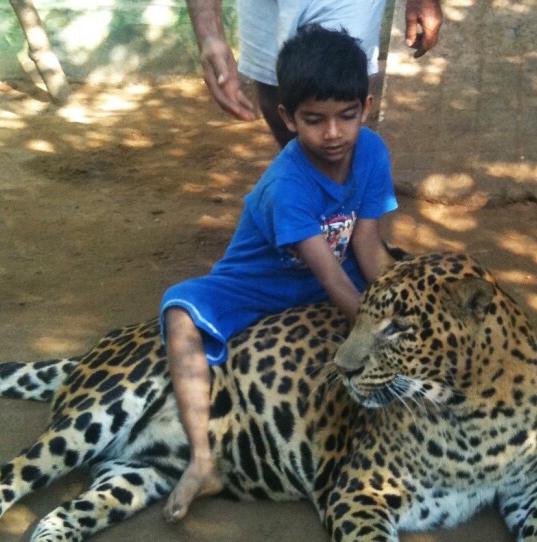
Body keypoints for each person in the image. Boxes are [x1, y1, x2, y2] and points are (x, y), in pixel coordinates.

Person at [160, 24, 399, 522]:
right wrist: (383, 334)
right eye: (314, 120)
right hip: (260, 283)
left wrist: (405, 306)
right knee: (179, 311)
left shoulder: (372, 151)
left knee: (407, 268)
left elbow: (369, 247)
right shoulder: (286, 186)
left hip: (331, 269)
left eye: (346, 116)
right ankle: (203, 459)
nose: (333, 133)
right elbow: (334, 281)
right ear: (288, 119)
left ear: (367, 107)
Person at [187, 0, 443, 146]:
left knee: (335, 86)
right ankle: (312, 208)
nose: (332, 132)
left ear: (367, 108)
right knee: (273, 89)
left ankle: (334, 219)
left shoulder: (374, 156)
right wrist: (209, 34)